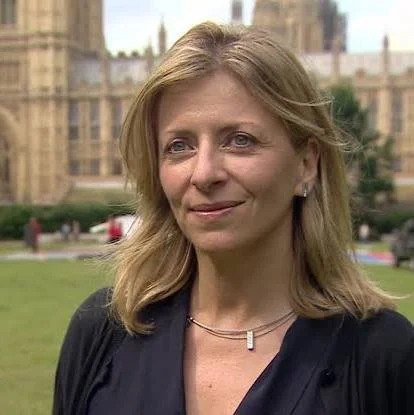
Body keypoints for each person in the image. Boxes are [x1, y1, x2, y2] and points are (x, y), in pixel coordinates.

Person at [53, 23, 413, 415]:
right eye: (179, 146)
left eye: (240, 140)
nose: (204, 173)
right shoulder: (102, 334)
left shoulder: (382, 357)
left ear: (306, 164)